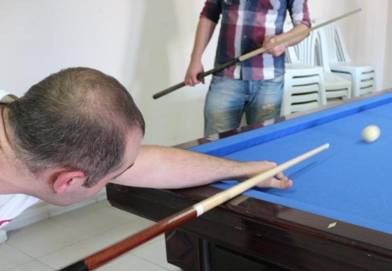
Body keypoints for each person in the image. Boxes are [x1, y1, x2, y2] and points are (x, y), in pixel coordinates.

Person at [0, 67, 292, 237]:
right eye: (116, 173)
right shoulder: (43, 159)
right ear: (68, 181)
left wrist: (240, 170)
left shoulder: (29, 136)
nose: (128, 169)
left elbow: (152, 164)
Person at [184, 0, 310, 135]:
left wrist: (283, 41)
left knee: (262, 142)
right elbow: (209, 13)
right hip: (226, 76)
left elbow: (304, 25)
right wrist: (195, 59)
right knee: (216, 141)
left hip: (269, 80)